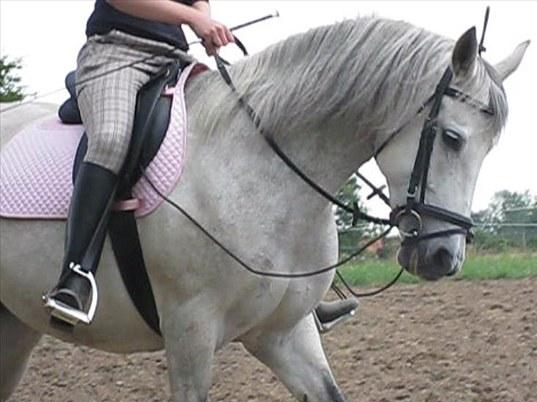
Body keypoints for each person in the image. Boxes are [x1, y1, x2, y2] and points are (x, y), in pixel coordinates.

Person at [43, 0, 358, 331]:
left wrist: (202, 20)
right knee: (110, 139)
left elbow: (197, 0)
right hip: (116, 54)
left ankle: (293, 291)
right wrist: (192, 18)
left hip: (175, 59)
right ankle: (75, 275)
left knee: (241, 133)